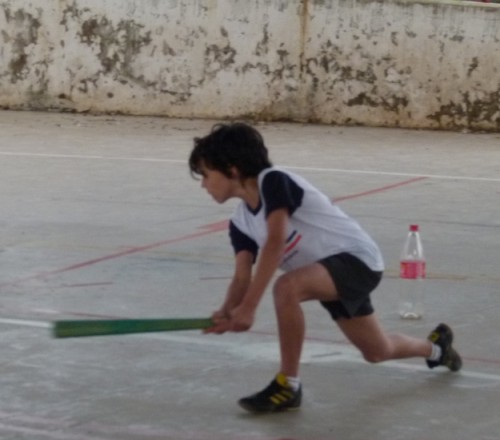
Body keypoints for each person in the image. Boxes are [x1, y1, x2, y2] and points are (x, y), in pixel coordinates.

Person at [188, 122, 462, 413]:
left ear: (232, 169)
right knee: (377, 351)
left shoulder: (273, 181)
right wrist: (228, 309)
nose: (203, 184)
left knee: (286, 287)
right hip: (326, 275)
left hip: (356, 261)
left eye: (206, 174)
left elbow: (276, 240)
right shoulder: (240, 222)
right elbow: (242, 276)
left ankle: (288, 384)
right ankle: (436, 348)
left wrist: (250, 307)